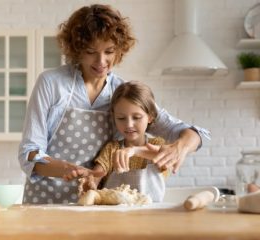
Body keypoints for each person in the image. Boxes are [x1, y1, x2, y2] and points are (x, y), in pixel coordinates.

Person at [18, 4, 210, 204]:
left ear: (119, 49)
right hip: (45, 199)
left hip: (96, 203)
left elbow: (194, 133)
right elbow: (29, 153)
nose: (101, 61)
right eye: (91, 51)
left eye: (109, 51)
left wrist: (179, 147)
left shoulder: (122, 93)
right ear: (77, 49)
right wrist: (69, 170)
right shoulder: (52, 83)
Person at [65, 81, 168, 202]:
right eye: (121, 118)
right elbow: (98, 174)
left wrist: (134, 151)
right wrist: (91, 181)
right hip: (114, 217)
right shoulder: (112, 149)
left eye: (136, 117)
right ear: (114, 118)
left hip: (149, 216)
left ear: (150, 117)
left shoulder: (158, 144)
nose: (129, 124)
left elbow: (164, 159)